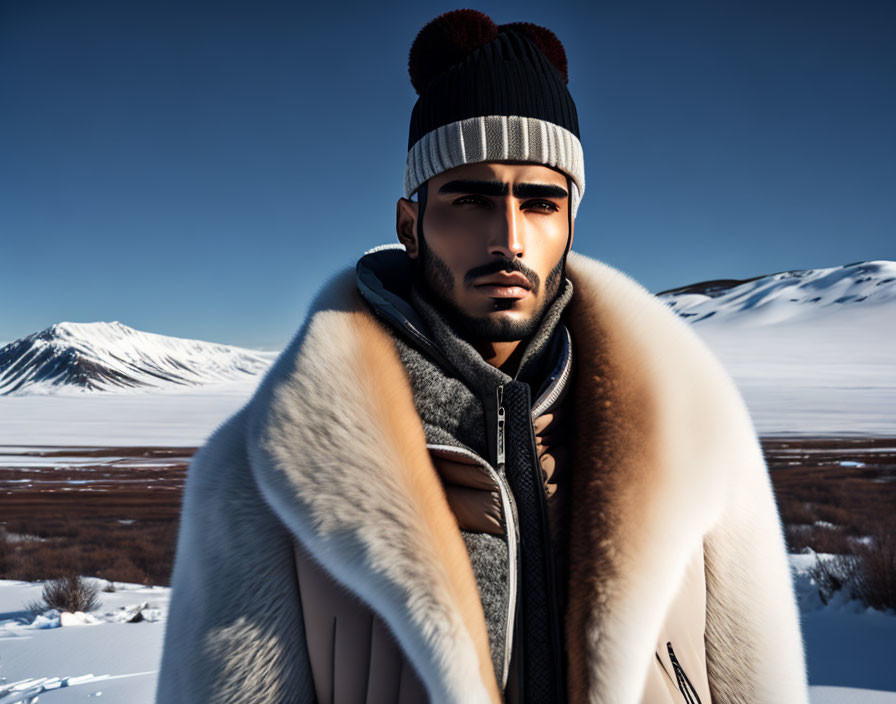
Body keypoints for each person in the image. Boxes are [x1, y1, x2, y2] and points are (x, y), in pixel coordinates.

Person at [156, 10, 809, 704]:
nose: (508, 238)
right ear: (411, 225)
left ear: (569, 224)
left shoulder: (699, 445)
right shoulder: (264, 475)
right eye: (470, 199)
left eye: (539, 203)